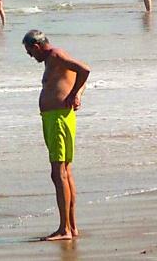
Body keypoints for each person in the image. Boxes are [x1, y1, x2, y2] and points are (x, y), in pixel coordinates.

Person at [22, 30, 90, 241]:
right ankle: (72, 227)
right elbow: (80, 74)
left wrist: (74, 94)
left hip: (58, 119)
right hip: (57, 118)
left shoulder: (55, 55)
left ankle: (64, 229)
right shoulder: (55, 58)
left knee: (59, 172)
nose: (31, 56)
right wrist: (77, 94)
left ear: (36, 46)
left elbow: (85, 70)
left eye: (30, 52)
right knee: (64, 172)